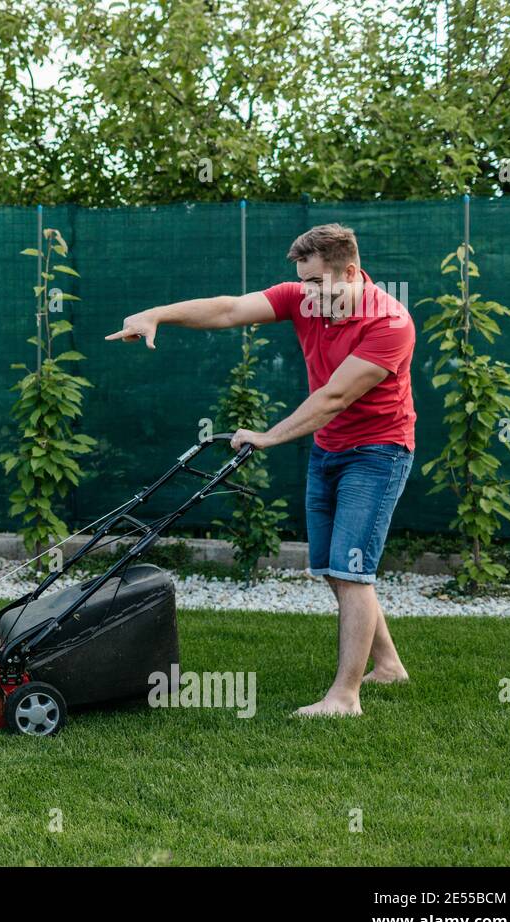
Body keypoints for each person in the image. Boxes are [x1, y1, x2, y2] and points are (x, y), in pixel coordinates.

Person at [107, 223, 415, 716]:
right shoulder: (303, 297)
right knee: (334, 570)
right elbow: (229, 309)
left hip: (379, 452)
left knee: (353, 571)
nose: (307, 294)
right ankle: (388, 665)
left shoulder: (389, 323)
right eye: (303, 283)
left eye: (317, 283)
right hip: (329, 449)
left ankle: (344, 696)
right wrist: (156, 315)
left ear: (351, 272)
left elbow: (335, 396)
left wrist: (269, 436)